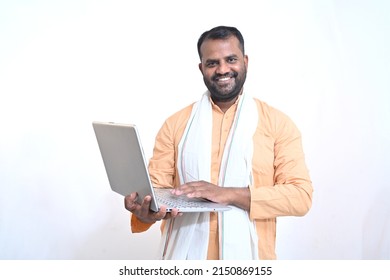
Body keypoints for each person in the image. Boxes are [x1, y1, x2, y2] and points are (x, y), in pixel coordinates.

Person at [124, 26, 313, 260]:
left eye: (231, 59)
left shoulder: (277, 124)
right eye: (212, 63)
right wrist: (146, 212)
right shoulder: (175, 125)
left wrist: (228, 194)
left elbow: (300, 196)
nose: (223, 69)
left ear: (245, 61)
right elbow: (156, 193)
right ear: (201, 68)